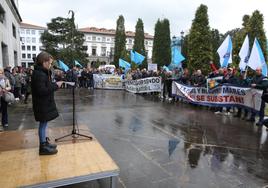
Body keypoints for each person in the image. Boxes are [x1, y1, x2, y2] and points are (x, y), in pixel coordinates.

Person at [31, 52, 63, 155]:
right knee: (43, 125)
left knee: (44, 124)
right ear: (43, 62)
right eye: (49, 63)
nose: (50, 65)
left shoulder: (42, 72)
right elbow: (42, 90)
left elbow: (45, 86)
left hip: (43, 104)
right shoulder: (39, 74)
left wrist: (54, 84)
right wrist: (56, 86)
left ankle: (44, 143)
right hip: (42, 104)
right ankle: (43, 147)